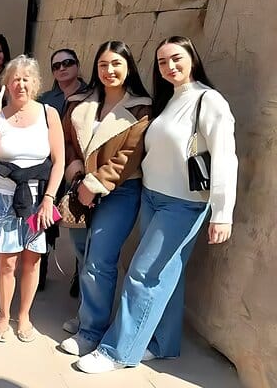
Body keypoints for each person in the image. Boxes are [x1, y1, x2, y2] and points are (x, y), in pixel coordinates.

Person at [75, 36, 237, 373]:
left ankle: (117, 352)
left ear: (192, 58)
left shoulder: (209, 100)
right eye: (162, 62)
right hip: (152, 197)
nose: (170, 66)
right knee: (168, 274)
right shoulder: (169, 99)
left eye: (176, 58)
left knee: (143, 275)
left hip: (183, 204)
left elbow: (225, 157)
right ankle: (162, 343)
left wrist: (222, 214)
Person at [58, 41, 152, 359]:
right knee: (84, 254)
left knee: (100, 259)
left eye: (116, 64)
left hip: (119, 191)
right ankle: (89, 314)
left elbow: (129, 156)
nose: (109, 70)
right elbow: (68, 141)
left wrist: (95, 183)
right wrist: (76, 173)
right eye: (103, 64)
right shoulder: (81, 103)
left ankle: (91, 331)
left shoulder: (141, 108)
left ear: (128, 67)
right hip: (80, 188)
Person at [0, 55, 65, 343]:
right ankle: (4, 315)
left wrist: (49, 198)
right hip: (3, 197)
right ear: (6, 83)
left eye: (26, 79)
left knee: (32, 260)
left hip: (37, 198)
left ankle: (24, 315)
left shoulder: (48, 114)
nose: (20, 84)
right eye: (15, 79)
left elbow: (59, 161)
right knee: (7, 262)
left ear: (36, 83)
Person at [37, 48, 88, 331]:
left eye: (67, 63)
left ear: (77, 65)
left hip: (81, 170)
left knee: (81, 226)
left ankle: (80, 274)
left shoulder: (92, 95)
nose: (62, 69)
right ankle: (41, 267)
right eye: (56, 66)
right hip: (52, 168)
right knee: (45, 221)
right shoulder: (47, 100)